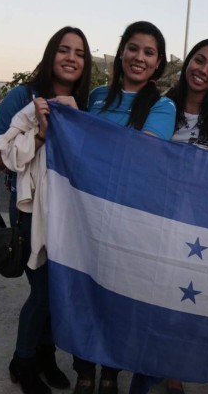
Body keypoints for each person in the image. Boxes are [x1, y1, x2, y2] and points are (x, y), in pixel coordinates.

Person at [72, 20, 176, 394]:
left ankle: (111, 374)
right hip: (86, 213)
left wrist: (87, 132)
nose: (139, 57)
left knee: (117, 298)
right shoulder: (97, 94)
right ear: (121, 52)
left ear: (158, 62)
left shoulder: (163, 106)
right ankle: (84, 371)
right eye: (133, 48)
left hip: (130, 221)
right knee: (84, 291)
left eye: (149, 52)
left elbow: (141, 155)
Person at [0, 26, 93, 394]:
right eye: (64, 50)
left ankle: (45, 354)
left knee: (59, 285)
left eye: (79, 53)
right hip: (32, 209)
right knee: (43, 289)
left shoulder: (86, 102)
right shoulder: (24, 95)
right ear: (51, 54)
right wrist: (39, 132)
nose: (71, 58)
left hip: (70, 211)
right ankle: (22, 360)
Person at [164, 38, 208, 394]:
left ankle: (174, 366)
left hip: (198, 225)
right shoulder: (160, 107)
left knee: (183, 294)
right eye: (199, 60)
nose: (202, 70)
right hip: (156, 216)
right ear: (188, 60)